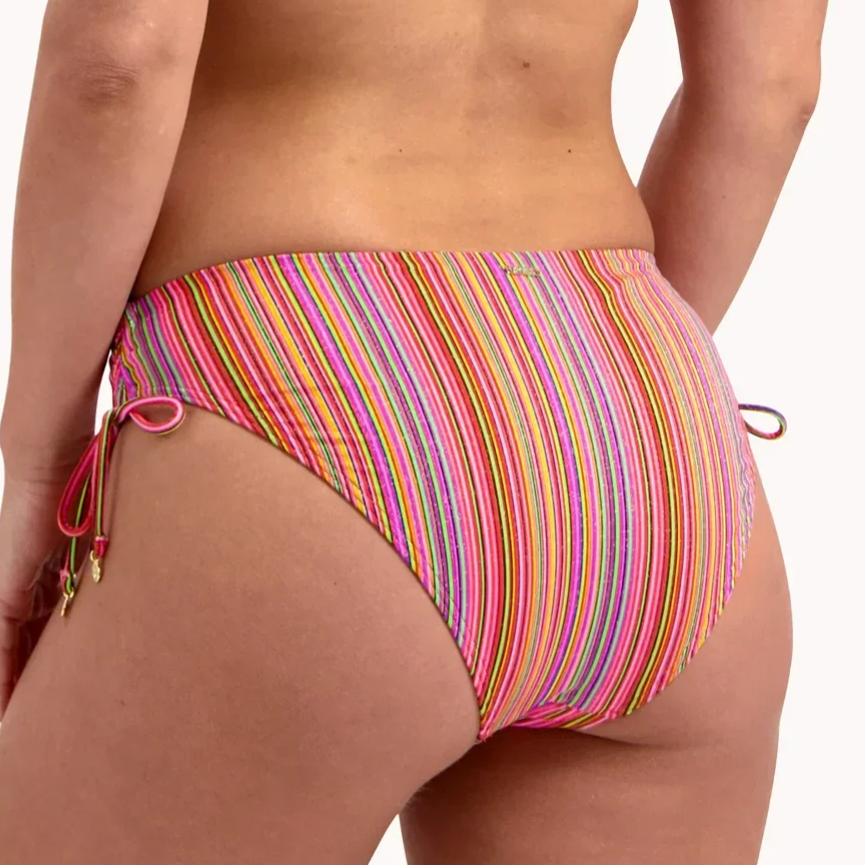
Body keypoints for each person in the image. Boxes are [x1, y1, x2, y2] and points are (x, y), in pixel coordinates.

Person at [0, 0, 826, 862]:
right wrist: (598, 410)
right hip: (644, 420)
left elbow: (118, 61)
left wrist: (40, 468)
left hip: (309, 382)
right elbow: (770, 89)